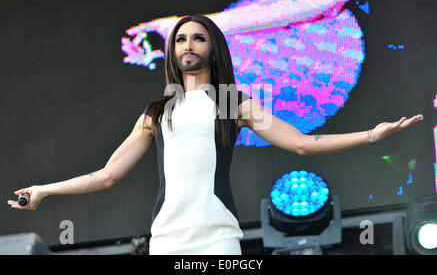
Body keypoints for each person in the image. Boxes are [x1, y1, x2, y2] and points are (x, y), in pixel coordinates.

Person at [8, 14, 423, 255]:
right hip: (167, 241)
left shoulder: (229, 102)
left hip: (217, 242)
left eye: (198, 38)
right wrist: (44, 189)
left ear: (213, 48)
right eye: (181, 39)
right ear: (173, 52)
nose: (188, 44)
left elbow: (302, 143)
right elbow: (107, 175)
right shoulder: (158, 112)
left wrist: (372, 134)